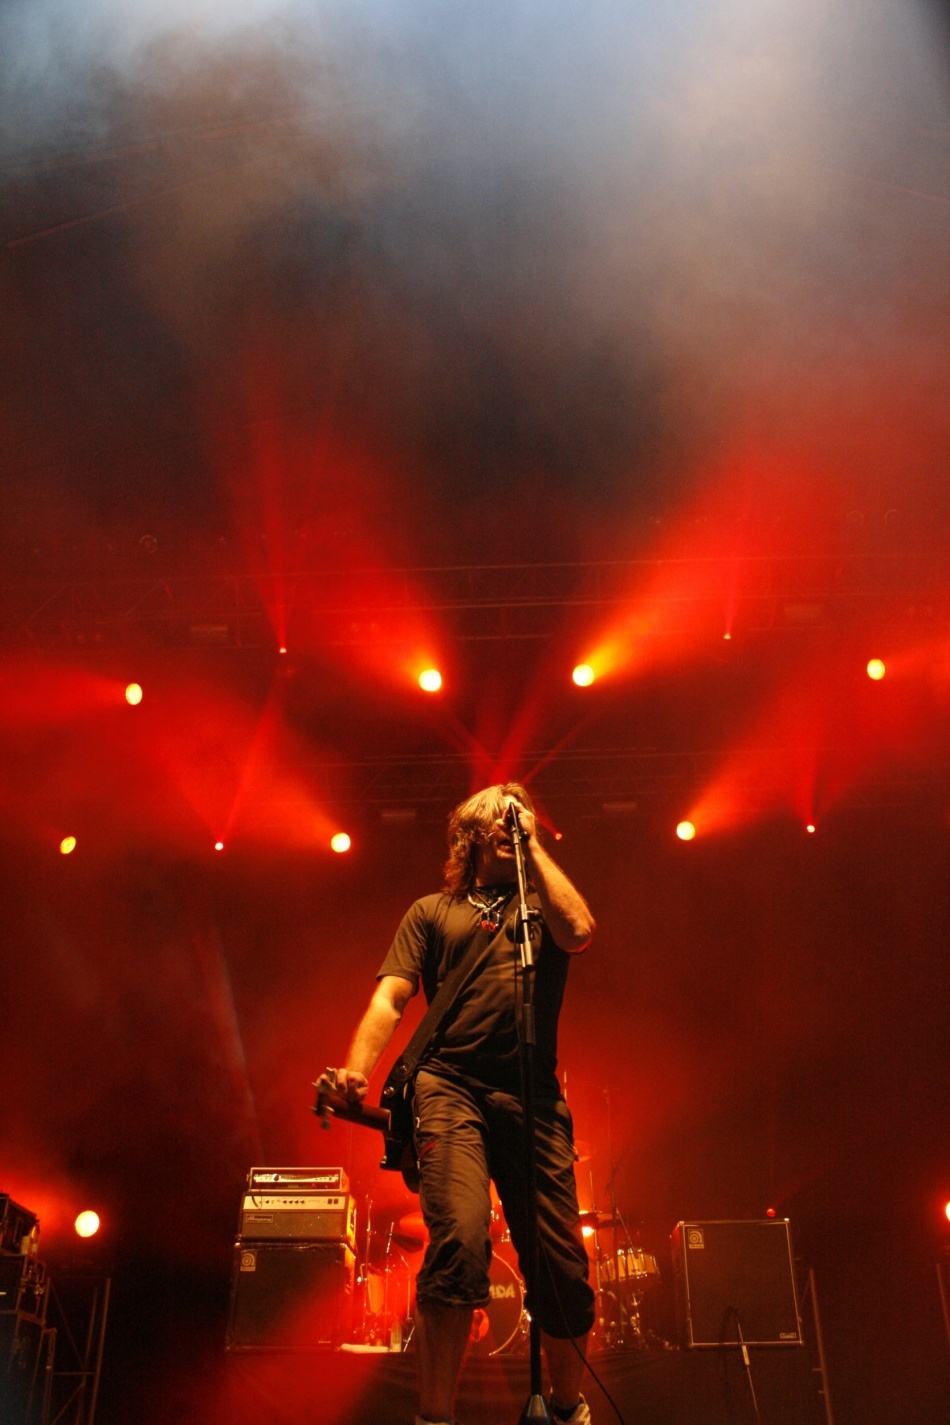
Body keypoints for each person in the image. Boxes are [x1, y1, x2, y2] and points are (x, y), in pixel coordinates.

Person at [329, 782, 596, 1425]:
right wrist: (354, 1072)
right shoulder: (431, 911)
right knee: (459, 1244)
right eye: (496, 819)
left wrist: (533, 845)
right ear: (469, 837)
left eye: (519, 816)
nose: (509, 825)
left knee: (562, 1264)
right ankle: (435, 1419)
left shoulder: (543, 911)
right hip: (447, 1085)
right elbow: (390, 1000)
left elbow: (580, 931)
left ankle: (567, 1412)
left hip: (531, 1092)